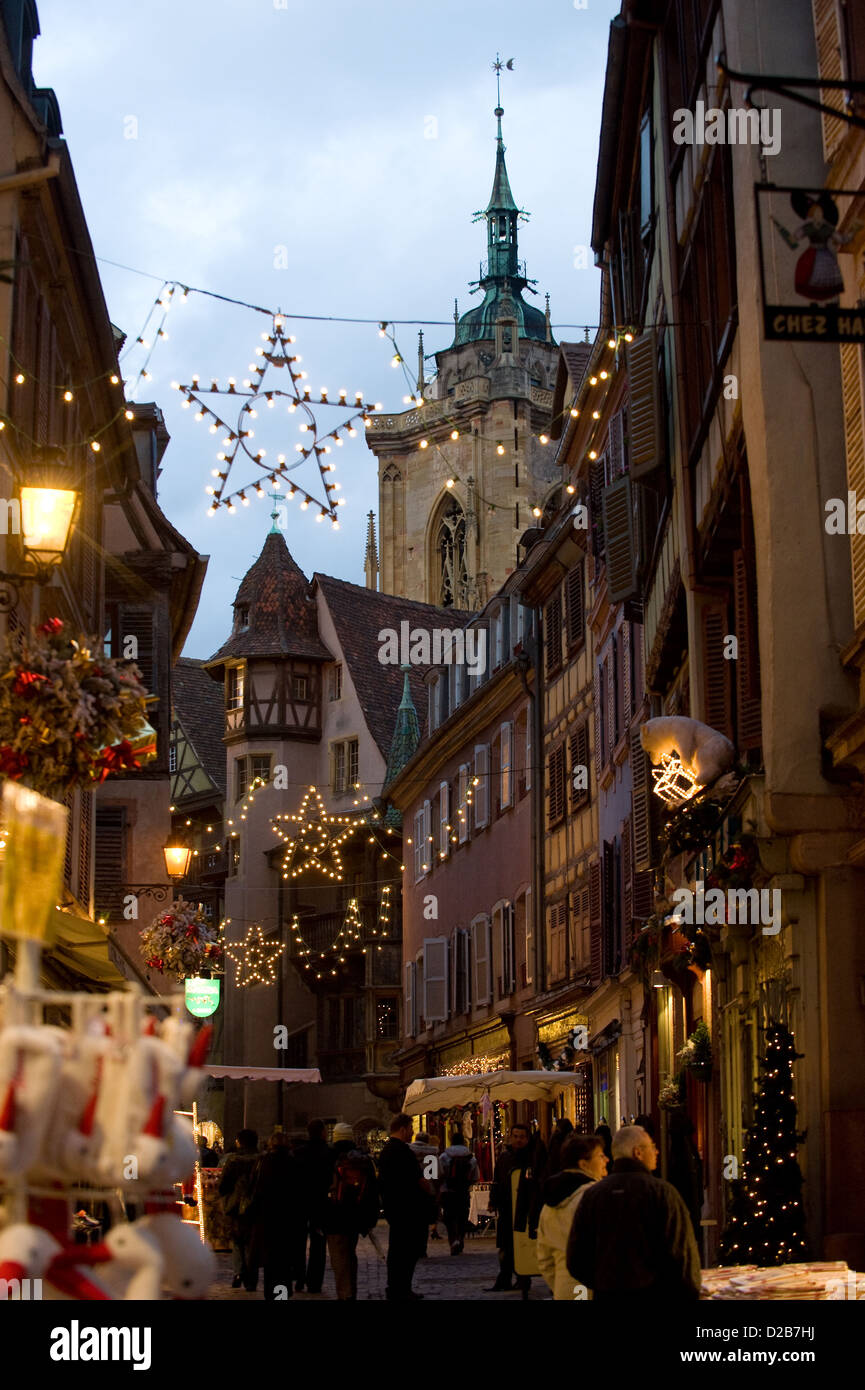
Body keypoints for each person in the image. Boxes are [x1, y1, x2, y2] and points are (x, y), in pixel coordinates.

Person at [566, 1124, 701, 1301]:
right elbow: (682, 1254)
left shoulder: (593, 1195)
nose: (657, 1151)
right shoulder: (662, 1193)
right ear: (638, 1153)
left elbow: (576, 1257)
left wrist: (602, 1283)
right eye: (652, 1146)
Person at [536, 1134, 608, 1300]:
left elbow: (544, 1258)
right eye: (600, 1156)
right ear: (584, 1164)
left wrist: (559, 1284)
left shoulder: (549, 1204)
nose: (606, 1160)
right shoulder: (595, 1197)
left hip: (566, 1288)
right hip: (591, 1288)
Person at [487, 1123, 546, 1295]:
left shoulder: (533, 1158)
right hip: (506, 1208)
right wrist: (493, 1200)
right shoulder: (505, 1158)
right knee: (505, 1246)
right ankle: (504, 1278)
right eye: (516, 1136)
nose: (518, 1140)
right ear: (511, 1137)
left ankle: (523, 1278)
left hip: (525, 1208)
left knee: (522, 1244)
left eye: (522, 1137)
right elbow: (497, 1180)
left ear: (527, 1139)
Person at [377, 1113, 429, 1301]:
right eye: (411, 1129)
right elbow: (418, 1179)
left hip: (394, 1207)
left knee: (398, 1250)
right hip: (407, 1208)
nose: (412, 1133)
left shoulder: (386, 1151)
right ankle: (402, 1288)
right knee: (406, 1251)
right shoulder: (401, 1151)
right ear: (403, 1129)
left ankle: (396, 1287)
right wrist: (426, 1187)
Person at [250, 1131, 305, 1300]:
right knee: (284, 1264)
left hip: (267, 1219)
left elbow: (254, 1189)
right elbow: (301, 1192)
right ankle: (281, 1294)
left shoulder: (263, 1162)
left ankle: (271, 1294)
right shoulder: (294, 1163)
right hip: (288, 1220)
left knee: (270, 1263)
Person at [322, 1146, 379, 1300]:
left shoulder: (328, 1157)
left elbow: (317, 1189)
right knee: (350, 1254)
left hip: (333, 1217)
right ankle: (350, 1292)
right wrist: (370, 1218)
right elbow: (373, 1190)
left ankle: (345, 1294)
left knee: (339, 1258)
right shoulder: (361, 1160)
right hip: (355, 1216)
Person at [292, 1119, 334, 1293]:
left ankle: (299, 1278)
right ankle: (314, 1281)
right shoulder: (328, 1152)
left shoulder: (298, 1152)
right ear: (323, 1132)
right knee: (318, 1243)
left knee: (298, 1243)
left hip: (300, 1202)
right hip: (320, 1203)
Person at [218, 1129, 260, 1291]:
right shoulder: (261, 1159)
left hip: (235, 1205)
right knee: (251, 1242)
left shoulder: (233, 1161)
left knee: (237, 1241)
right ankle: (251, 1278)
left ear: (239, 1142)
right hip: (256, 1205)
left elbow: (223, 1186)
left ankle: (238, 1272)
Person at [439, 1127, 479, 1255]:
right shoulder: (471, 1158)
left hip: (447, 1191)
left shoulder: (444, 1156)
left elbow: (439, 1174)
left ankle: (453, 1241)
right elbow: (475, 1177)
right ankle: (460, 1238)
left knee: (449, 1217)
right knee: (462, 1216)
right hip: (463, 1191)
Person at [409, 1130, 441, 1254]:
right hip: (427, 1191)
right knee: (423, 1222)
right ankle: (422, 1247)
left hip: (411, 1190)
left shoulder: (408, 1152)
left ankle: (413, 1245)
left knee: (413, 1220)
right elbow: (436, 1174)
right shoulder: (431, 1155)